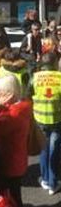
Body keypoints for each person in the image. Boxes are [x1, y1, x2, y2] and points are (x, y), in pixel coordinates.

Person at [0, 75, 32, 207]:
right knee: (15, 195)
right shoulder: (24, 107)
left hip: (7, 162)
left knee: (9, 198)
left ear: (8, 93)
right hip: (19, 159)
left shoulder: (12, 115)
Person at [31, 52, 61, 195]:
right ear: (55, 63)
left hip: (40, 120)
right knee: (54, 151)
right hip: (56, 120)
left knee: (44, 149)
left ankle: (45, 179)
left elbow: (27, 96)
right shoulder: (60, 78)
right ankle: (53, 184)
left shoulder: (35, 78)